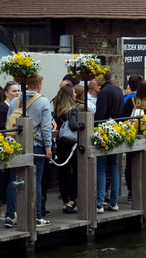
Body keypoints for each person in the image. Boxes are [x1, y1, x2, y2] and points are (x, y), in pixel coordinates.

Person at [6, 76, 53, 226]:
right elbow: (46, 127)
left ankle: (10, 215)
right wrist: (48, 147)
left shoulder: (15, 101)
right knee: (36, 180)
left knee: (15, 180)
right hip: (36, 144)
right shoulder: (43, 101)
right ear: (39, 85)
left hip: (17, 145)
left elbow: (9, 123)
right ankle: (36, 216)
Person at [94, 70, 124, 213]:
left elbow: (100, 115)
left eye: (96, 77)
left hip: (105, 132)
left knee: (101, 167)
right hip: (116, 130)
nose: (95, 80)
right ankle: (114, 201)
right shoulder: (118, 90)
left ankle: (99, 203)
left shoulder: (104, 92)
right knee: (114, 166)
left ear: (101, 78)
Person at [53, 85, 82, 214]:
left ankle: (65, 200)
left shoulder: (57, 110)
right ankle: (73, 200)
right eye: (74, 92)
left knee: (63, 173)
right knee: (75, 172)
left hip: (61, 143)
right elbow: (73, 125)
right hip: (72, 144)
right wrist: (82, 125)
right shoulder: (73, 110)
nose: (76, 94)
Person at [0, 82, 20, 212]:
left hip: (12, 143)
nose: (17, 93)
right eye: (14, 91)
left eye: (18, 91)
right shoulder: (3, 108)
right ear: (6, 93)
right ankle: (6, 204)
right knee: (6, 175)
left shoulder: (16, 107)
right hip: (5, 143)